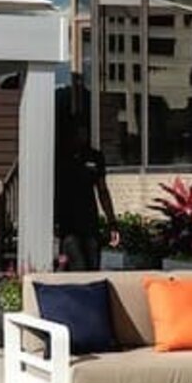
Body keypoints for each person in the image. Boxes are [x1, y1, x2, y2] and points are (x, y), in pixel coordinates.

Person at [54, 112, 116, 270]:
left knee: (93, 265)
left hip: (90, 222)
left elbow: (102, 190)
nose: (81, 135)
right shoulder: (61, 158)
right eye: (77, 132)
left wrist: (112, 222)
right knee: (77, 265)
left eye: (84, 131)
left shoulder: (95, 157)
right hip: (68, 224)